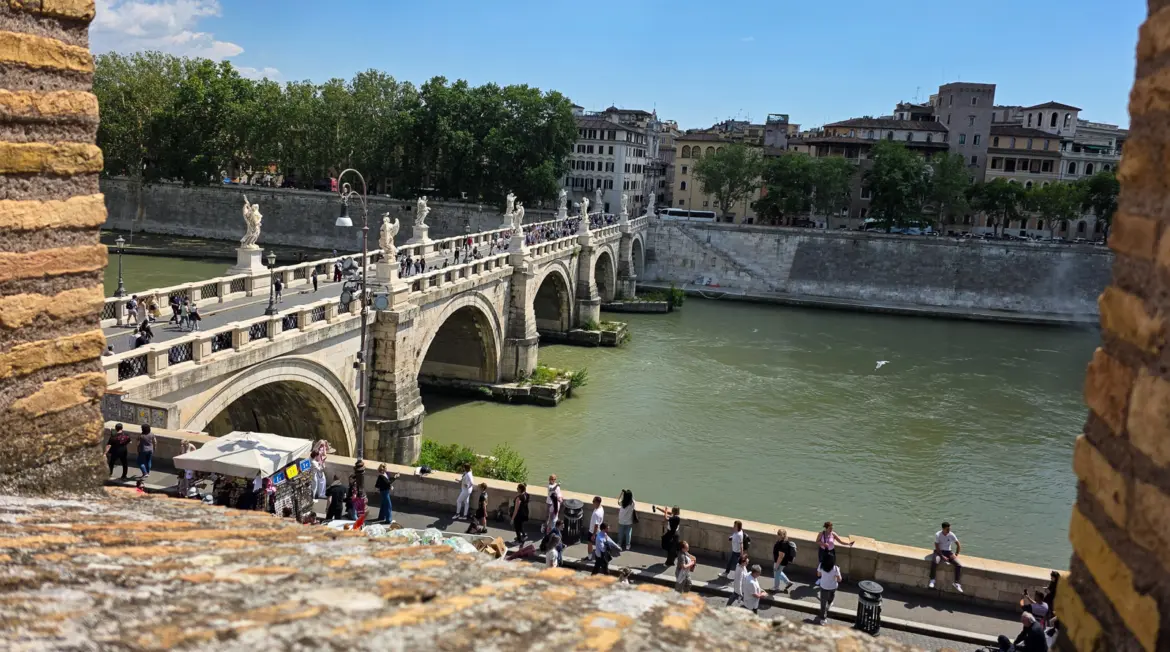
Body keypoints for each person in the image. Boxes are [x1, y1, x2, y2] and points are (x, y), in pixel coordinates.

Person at [928, 521, 964, 593]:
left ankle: (956, 583)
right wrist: (942, 556)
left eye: (949, 529)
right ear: (943, 529)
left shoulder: (951, 534)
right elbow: (937, 547)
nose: (949, 530)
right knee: (935, 561)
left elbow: (958, 545)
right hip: (939, 551)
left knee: (959, 565)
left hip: (948, 552)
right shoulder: (938, 534)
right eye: (947, 529)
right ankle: (932, 580)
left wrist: (956, 554)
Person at [815, 553, 843, 624]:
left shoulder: (821, 565)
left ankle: (823, 619)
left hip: (823, 586)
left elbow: (818, 574)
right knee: (832, 595)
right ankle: (830, 603)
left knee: (823, 603)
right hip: (832, 586)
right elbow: (840, 579)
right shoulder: (835, 568)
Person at [772, 528, 796, 592]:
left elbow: (781, 556)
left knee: (776, 574)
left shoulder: (782, 544)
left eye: (779, 534)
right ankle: (788, 582)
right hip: (783, 561)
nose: (777, 535)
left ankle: (776, 587)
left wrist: (776, 565)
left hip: (780, 562)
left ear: (782, 535)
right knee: (779, 572)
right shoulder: (784, 541)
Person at [587, 496, 604, 561]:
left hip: (592, 531)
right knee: (598, 545)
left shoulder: (597, 513)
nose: (592, 503)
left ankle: (589, 557)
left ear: (597, 502)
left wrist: (593, 535)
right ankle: (598, 557)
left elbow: (596, 525)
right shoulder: (601, 508)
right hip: (598, 530)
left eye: (593, 501)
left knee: (590, 543)